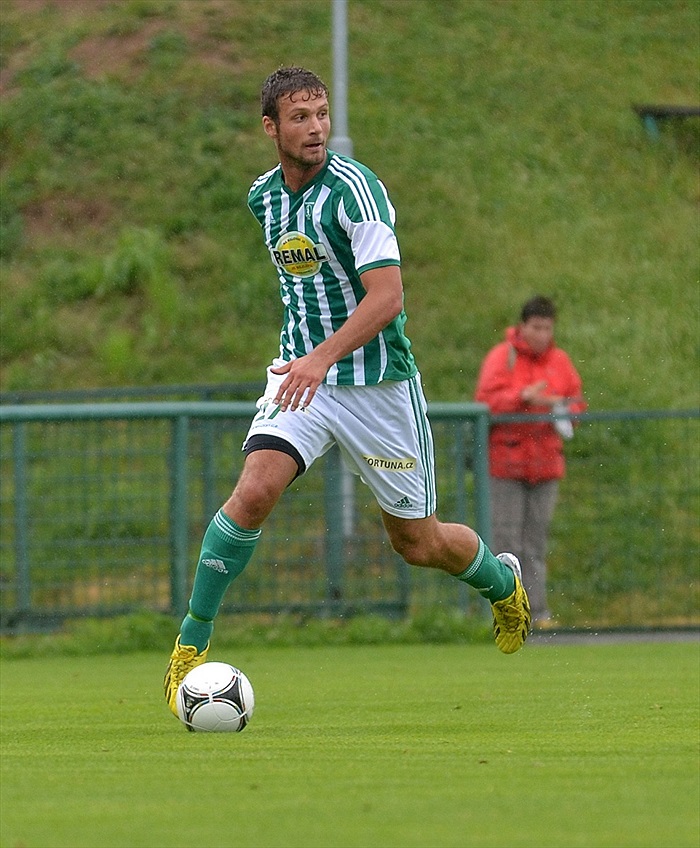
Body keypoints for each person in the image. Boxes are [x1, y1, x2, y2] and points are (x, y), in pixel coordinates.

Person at [164, 67, 531, 714]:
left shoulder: (357, 191)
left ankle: (502, 583)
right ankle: (189, 648)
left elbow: (386, 298)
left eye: (321, 114)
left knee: (417, 543)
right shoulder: (263, 198)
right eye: (299, 117)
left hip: (377, 387)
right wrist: (305, 360)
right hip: (301, 379)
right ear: (270, 128)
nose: (315, 128)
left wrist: (323, 355)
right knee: (253, 492)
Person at [474, 295, 586, 628]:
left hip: (546, 466)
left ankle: (537, 611)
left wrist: (561, 408)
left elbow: (577, 403)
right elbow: (485, 403)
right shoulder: (501, 358)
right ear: (522, 327)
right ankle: (506, 611)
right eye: (536, 327)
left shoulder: (560, 362)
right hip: (506, 466)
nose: (541, 334)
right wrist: (522, 398)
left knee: (535, 543)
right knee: (506, 543)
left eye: (547, 328)